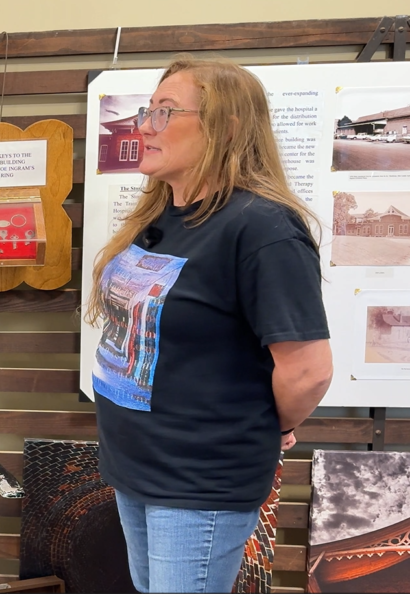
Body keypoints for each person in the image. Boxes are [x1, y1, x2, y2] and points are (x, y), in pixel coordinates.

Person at [84, 55, 333, 593]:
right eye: (146, 112)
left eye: (164, 113)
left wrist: (275, 423)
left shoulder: (262, 228)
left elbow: (308, 370)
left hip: (197, 479)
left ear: (228, 127)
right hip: (137, 466)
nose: (143, 127)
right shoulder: (163, 216)